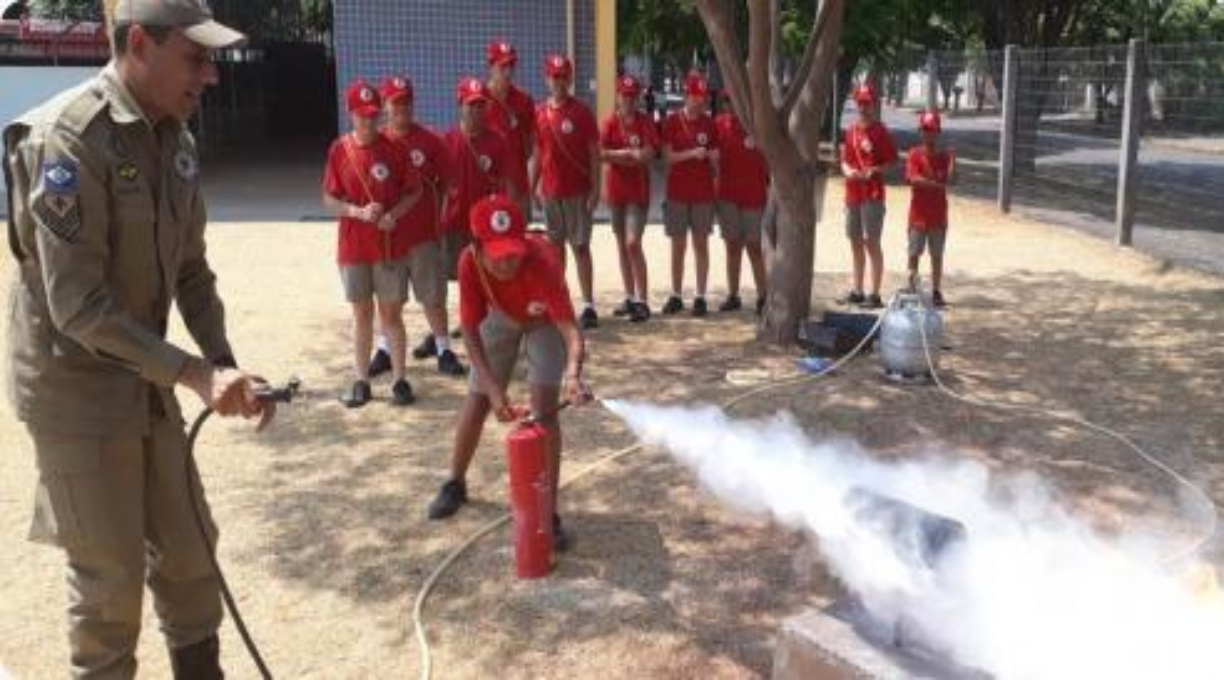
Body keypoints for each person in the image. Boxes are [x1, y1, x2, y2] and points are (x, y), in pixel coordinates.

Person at [1, 2, 275, 675]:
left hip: (147, 379)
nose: (210, 75)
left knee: (189, 555)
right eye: (196, 57)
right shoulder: (67, 141)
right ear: (140, 46)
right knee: (108, 588)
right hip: (77, 395)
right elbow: (78, 307)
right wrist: (192, 374)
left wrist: (225, 366)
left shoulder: (173, 140)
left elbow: (190, 269)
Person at [426, 194, 592, 553]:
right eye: (498, 256)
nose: (508, 263)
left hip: (543, 321)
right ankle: (455, 482)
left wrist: (573, 373)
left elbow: (569, 330)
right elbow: (469, 332)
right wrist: (493, 389)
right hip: (500, 315)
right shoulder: (469, 264)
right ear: (476, 246)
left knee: (544, 411)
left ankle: (548, 514)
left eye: (514, 253)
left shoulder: (543, 258)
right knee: (477, 401)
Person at [322, 79, 423, 407]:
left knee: (391, 314)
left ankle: (399, 379)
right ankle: (361, 379)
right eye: (362, 115)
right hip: (354, 247)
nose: (369, 122)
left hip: (389, 246)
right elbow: (329, 199)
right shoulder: (340, 150)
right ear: (351, 114)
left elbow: (415, 191)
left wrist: (394, 214)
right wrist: (357, 211)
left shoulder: (395, 148)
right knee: (362, 312)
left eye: (373, 115)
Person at [367, 75, 468, 378]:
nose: (402, 108)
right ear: (385, 106)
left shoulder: (430, 140)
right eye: (396, 103)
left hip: (424, 234)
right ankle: (385, 349)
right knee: (389, 299)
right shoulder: (376, 143)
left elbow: (451, 182)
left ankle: (444, 348)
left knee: (433, 296)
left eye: (407, 102)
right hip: (388, 238)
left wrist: (441, 214)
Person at [532, 53, 600, 329]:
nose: (559, 81)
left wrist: (596, 189)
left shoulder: (582, 112)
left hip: (578, 191)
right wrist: (532, 184)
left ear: (570, 79)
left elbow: (594, 153)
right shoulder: (539, 113)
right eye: (554, 76)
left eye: (563, 76)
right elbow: (538, 152)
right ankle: (561, 300)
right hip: (550, 191)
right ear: (547, 79)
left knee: (581, 247)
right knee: (555, 249)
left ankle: (589, 305)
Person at [440, 77, 516, 284]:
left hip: (487, 226)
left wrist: (509, 219)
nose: (477, 110)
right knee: (458, 279)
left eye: (481, 104)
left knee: (488, 278)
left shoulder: (497, 140)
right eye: (471, 104)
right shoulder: (446, 141)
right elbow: (438, 187)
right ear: (460, 105)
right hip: (454, 225)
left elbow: (508, 184)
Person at [660, 71, 719, 317]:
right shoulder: (672, 122)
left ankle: (700, 296)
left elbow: (716, 157)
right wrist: (692, 154)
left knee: (701, 244)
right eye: (697, 95)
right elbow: (667, 158)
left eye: (704, 96)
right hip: (677, 192)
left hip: (703, 193)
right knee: (678, 245)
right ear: (688, 95)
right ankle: (675, 294)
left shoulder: (709, 123)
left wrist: (714, 158)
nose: (702, 101)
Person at [600, 74, 657, 323]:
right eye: (625, 95)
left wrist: (622, 157)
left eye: (633, 96)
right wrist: (625, 154)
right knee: (621, 244)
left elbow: (647, 154)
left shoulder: (645, 122)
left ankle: (642, 300)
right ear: (618, 96)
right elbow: (601, 153)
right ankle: (629, 296)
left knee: (633, 242)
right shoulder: (610, 122)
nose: (629, 100)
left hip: (638, 192)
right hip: (616, 191)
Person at [840, 82, 897, 309]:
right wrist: (848, 171)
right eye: (860, 103)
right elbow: (844, 159)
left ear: (874, 105)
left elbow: (892, 161)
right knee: (854, 240)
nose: (863, 107)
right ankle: (857, 289)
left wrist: (875, 170)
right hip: (853, 191)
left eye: (867, 103)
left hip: (872, 193)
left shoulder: (880, 131)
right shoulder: (852, 131)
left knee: (870, 241)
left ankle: (874, 293)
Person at [714, 91, 769, 315]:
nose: (731, 105)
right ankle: (733, 295)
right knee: (732, 246)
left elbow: (769, 161)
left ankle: (763, 295)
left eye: (735, 100)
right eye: (728, 101)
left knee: (754, 247)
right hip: (727, 195)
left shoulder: (758, 126)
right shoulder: (718, 125)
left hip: (754, 195)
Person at [905, 110, 955, 307]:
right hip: (918, 215)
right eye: (925, 130)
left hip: (938, 215)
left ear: (938, 132)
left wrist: (952, 160)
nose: (929, 134)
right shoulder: (915, 154)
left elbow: (950, 180)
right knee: (914, 253)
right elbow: (913, 178)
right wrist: (934, 184)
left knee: (937, 255)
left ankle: (936, 290)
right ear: (921, 131)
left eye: (932, 130)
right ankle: (912, 288)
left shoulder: (943, 157)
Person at [484, 40, 536, 218]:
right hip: (486, 190)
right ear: (491, 66)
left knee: (519, 241)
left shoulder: (524, 100)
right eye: (502, 66)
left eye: (511, 66)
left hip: (518, 188)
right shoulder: (478, 101)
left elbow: (530, 145)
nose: (508, 72)